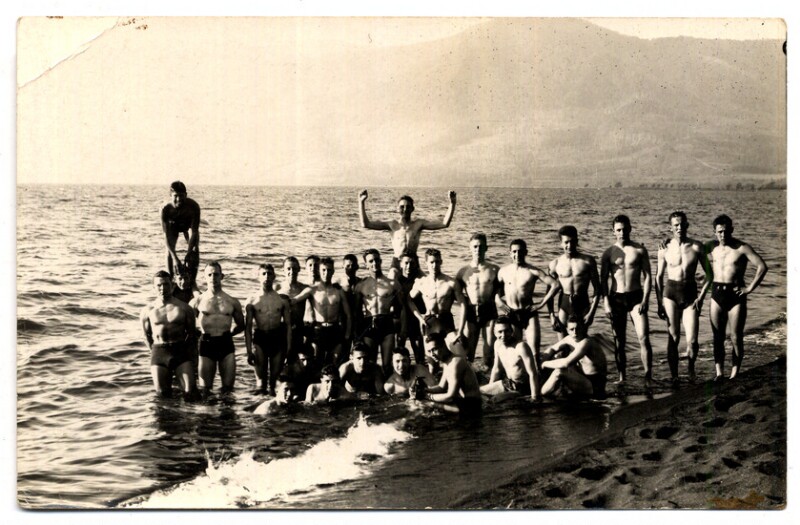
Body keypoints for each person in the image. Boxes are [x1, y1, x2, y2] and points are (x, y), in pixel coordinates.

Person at [706, 214, 768, 381]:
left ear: (732, 230)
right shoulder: (711, 247)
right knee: (717, 337)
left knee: (735, 336)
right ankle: (719, 373)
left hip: (736, 296)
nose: (723, 235)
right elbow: (690, 247)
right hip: (716, 294)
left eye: (726, 231)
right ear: (714, 232)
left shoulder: (742, 248)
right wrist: (668, 241)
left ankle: (735, 374)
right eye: (719, 232)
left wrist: (749, 288)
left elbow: (762, 266)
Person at [655, 211, 712, 384]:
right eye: (676, 225)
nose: (679, 228)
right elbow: (658, 277)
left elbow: (710, 275)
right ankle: (674, 376)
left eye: (682, 224)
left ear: (687, 225)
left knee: (692, 341)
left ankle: (691, 370)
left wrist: (701, 298)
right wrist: (659, 303)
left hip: (690, 295)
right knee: (673, 337)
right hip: (670, 294)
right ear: (670, 228)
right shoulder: (664, 249)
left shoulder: (696, 247)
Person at [600, 215, 654, 385]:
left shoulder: (639, 250)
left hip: (636, 297)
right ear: (613, 231)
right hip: (616, 298)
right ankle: (622, 378)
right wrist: (606, 302)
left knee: (643, 337)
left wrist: (645, 300)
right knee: (619, 342)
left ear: (630, 229)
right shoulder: (608, 253)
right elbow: (603, 280)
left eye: (624, 229)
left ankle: (648, 376)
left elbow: (648, 276)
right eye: (618, 230)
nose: (622, 233)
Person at [358, 189, 457, 278]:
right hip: (397, 262)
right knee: (391, 282)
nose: (405, 209)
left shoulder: (418, 224)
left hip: (413, 261)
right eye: (402, 207)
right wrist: (361, 202)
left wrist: (452, 203)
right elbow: (365, 224)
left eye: (408, 207)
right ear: (397, 209)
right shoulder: (392, 225)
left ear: (412, 209)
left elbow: (444, 224)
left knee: (426, 283)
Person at [496, 239, 562, 355]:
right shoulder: (503, 271)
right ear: (510, 253)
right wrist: (498, 301)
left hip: (529, 313)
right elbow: (495, 291)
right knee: (514, 352)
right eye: (514, 251)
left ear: (526, 252)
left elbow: (556, 285)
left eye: (520, 251)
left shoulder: (533, 271)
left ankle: (537, 366)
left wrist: (541, 304)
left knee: (534, 352)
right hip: (511, 313)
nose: (517, 254)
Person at [140, 270, 197, 398]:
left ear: (172, 285)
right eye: (159, 285)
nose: (163, 288)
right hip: (159, 353)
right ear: (154, 287)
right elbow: (146, 335)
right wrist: (155, 352)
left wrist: (193, 359)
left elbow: (192, 335)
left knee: (191, 393)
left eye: (166, 284)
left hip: (180, 351)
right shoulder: (147, 310)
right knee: (162, 395)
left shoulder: (184, 308)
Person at [191, 261, 245, 394]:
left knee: (228, 390)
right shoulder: (197, 301)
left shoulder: (232, 301)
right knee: (205, 391)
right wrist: (198, 334)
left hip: (225, 343)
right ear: (204, 277)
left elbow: (241, 325)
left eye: (216, 274)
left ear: (222, 276)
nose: (213, 278)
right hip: (206, 343)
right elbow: (187, 325)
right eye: (209, 275)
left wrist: (230, 334)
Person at [353, 249, 406, 377]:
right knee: (370, 363)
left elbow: (402, 308)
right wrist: (357, 333)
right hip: (369, 324)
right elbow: (356, 311)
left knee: (387, 364)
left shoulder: (392, 283)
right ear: (366, 264)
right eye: (371, 261)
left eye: (377, 260)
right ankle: (373, 388)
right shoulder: (361, 285)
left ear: (381, 261)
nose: (374, 263)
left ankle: (388, 387)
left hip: (387, 324)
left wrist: (402, 330)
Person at [291, 257, 352, 367]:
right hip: (318, 330)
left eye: (329, 270)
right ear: (319, 271)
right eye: (323, 270)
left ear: (333, 271)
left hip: (335, 329)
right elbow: (294, 300)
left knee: (335, 361)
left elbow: (348, 315)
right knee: (317, 362)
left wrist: (347, 334)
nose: (326, 273)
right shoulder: (312, 290)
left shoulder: (338, 291)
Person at [245, 263, 292, 395]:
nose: (266, 277)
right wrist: (249, 351)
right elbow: (248, 328)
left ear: (274, 276)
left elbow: (288, 325)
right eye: (263, 274)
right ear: (258, 277)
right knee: (261, 384)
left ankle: (275, 405)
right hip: (260, 338)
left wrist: (288, 347)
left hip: (277, 338)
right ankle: (257, 406)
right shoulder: (252, 300)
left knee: (274, 384)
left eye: (269, 274)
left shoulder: (281, 300)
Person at [548, 225, 601, 338]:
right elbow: (549, 292)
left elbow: (597, 288)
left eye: (572, 241)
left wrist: (591, 313)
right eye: (566, 242)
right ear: (561, 243)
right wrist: (551, 314)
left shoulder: (588, 261)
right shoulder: (555, 264)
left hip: (582, 304)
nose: (569, 245)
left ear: (577, 241)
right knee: (562, 343)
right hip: (564, 304)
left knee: (580, 341)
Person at [456, 233, 500, 366]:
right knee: (468, 353)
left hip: (489, 310)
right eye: (475, 247)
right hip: (471, 311)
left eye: (481, 247)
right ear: (470, 248)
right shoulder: (463, 271)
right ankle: (471, 376)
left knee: (489, 350)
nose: (478, 250)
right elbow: (456, 294)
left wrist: (497, 298)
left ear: (486, 248)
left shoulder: (494, 269)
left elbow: (502, 289)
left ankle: (488, 374)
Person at [540, 316, 608, 400]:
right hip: (583, 378)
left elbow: (566, 363)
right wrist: (543, 360)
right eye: (572, 329)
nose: (575, 332)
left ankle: (539, 396)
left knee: (559, 371)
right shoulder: (569, 339)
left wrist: (544, 364)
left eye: (578, 329)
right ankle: (545, 388)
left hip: (594, 387)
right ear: (567, 330)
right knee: (556, 357)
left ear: (583, 328)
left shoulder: (587, 342)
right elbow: (552, 349)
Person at [408, 248, 466, 343]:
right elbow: (409, 299)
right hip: (429, 322)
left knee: (456, 348)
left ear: (441, 262)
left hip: (446, 321)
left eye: (437, 262)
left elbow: (463, 305)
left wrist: (461, 330)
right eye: (431, 262)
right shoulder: (421, 283)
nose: (434, 265)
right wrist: (420, 318)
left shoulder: (451, 283)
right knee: (431, 351)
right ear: (426, 263)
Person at [480, 315, 541, 402]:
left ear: (512, 331)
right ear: (494, 332)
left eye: (506, 331)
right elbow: (497, 369)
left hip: (521, 388)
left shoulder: (521, 347)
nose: (503, 335)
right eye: (500, 332)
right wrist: (490, 387)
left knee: (493, 400)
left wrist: (534, 397)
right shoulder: (497, 344)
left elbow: (533, 373)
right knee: (479, 392)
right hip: (508, 383)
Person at [423, 332, 483, 417]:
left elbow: (450, 396)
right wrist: (424, 390)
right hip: (463, 403)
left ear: (443, 346)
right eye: (429, 351)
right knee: (423, 404)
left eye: (434, 349)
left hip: (472, 406)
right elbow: (441, 387)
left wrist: (427, 396)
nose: (432, 354)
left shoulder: (455, 363)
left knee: (428, 404)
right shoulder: (447, 362)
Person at [161, 181, 201, 288]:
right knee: (169, 251)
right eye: (175, 196)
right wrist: (175, 258)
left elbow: (194, 232)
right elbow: (166, 236)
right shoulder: (165, 209)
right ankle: (171, 280)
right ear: (170, 196)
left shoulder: (194, 206)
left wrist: (189, 252)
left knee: (195, 249)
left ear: (186, 195)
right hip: (173, 225)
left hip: (187, 225)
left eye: (181, 196)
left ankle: (192, 281)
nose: (179, 199)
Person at [276, 256, 309, 362]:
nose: (292, 271)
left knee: (297, 362)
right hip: (281, 329)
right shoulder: (277, 288)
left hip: (298, 329)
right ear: (283, 270)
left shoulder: (304, 288)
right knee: (280, 361)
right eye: (288, 268)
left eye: (294, 268)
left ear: (299, 269)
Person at [396, 250, 426, 365]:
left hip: (415, 318)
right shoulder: (396, 280)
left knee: (419, 353)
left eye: (412, 263)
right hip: (400, 318)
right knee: (399, 350)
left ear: (416, 265)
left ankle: (421, 370)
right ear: (401, 264)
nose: (408, 266)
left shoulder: (420, 280)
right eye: (406, 263)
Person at [339, 253, 362, 356]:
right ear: (342, 266)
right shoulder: (338, 284)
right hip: (343, 321)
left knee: (359, 351)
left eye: (353, 265)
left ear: (357, 266)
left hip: (359, 320)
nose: (350, 268)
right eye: (347, 266)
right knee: (344, 352)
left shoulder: (361, 282)